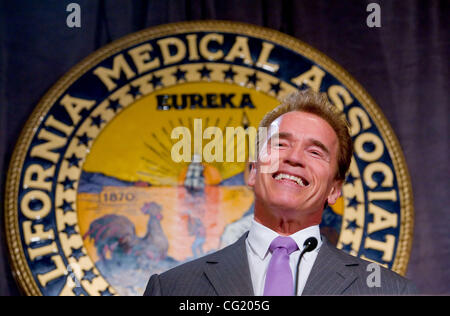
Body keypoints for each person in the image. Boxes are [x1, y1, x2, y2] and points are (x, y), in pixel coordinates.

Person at [143, 89, 417, 296]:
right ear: (252, 171)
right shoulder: (171, 289)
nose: (294, 158)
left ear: (334, 190)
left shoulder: (390, 292)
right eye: (281, 145)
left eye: (314, 151)